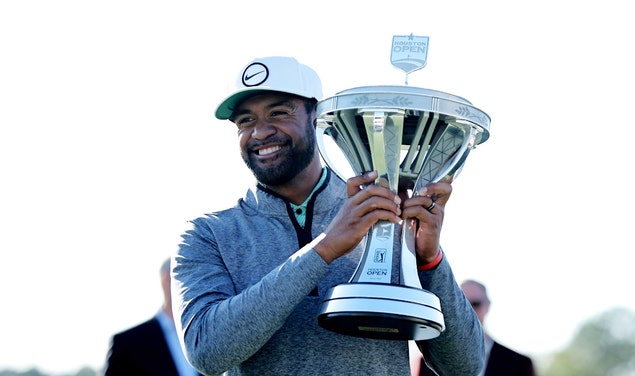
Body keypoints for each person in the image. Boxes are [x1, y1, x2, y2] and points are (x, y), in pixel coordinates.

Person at [171, 56, 485, 376]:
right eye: (245, 120)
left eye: (278, 112)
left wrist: (430, 261)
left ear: (317, 118)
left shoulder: (387, 215)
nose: (260, 131)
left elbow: (466, 366)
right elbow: (206, 352)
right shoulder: (207, 235)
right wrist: (324, 248)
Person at [104, 259, 200, 376]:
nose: (195, 284)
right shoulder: (128, 343)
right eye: (187, 276)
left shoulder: (203, 334)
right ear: (166, 280)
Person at [460, 279, 536, 376]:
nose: (469, 311)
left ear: (488, 305)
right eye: (462, 304)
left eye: (475, 304)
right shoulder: (435, 363)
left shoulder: (520, 364)